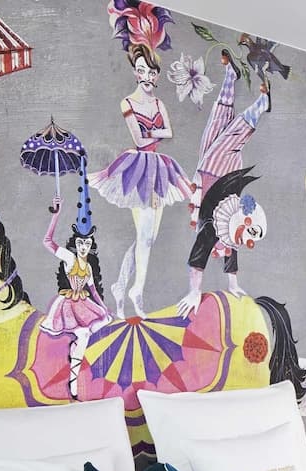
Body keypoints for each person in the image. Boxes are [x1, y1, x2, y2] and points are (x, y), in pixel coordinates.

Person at [89, 43, 192, 318]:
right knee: (145, 237)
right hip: (138, 170)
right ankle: (137, 290)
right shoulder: (128, 103)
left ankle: (120, 285)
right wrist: (156, 132)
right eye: (142, 70)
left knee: (148, 238)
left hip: (159, 169)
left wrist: (153, 132)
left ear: (156, 75)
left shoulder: (158, 103)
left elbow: (169, 132)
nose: (147, 76)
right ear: (136, 73)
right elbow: (139, 138)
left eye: (151, 72)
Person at [176, 51, 272, 318]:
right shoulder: (231, 219)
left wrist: (195, 291)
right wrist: (233, 283)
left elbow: (199, 260)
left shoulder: (213, 229)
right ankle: (261, 103)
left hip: (204, 172)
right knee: (232, 136)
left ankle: (232, 77)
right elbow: (232, 247)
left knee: (216, 124)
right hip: (220, 171)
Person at [40, 196, 112, 399]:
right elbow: (47, 242)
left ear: (91, 245)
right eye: (80, 242)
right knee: (84, 336)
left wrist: (104, 308)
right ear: (75, 243)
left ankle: (74, 362)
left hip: (83, 304)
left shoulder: (88, 267)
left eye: (87, 243)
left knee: (85, 336)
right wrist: (56, 214)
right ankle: (73, 382)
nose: (83, 246)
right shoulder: (69, 258)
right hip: (68, 305)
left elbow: (94, 291)